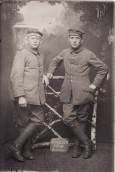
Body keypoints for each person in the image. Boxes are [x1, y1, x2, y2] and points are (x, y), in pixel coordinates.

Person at [47, 28, 108, 159]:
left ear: (81, 40)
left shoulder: (88, 54)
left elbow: (103, 68)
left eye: (77, 38)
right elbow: (55, 61)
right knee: (68, 118)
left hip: (84, 93)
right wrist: (49, 73)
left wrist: (94, 85)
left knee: (81, 118)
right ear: (69, 39)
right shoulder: (64, 52)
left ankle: (76, 146)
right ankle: (87, 142)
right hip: (67, 92)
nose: (74, 41)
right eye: (72, 38)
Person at [8, 28, 49, 162]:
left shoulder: (39, 56)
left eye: (37, 39)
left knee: (36, 119)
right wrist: (20, 95)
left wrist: (44, 75)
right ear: (27, 40)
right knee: (23, 122)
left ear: (40, 41)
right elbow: (16, 76)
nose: (35, 41)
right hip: (24, 95)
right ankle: (21, 148)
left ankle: (21, 148)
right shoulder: (22, 54)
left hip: (35, 95)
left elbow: (34, 72)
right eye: (32, 38)